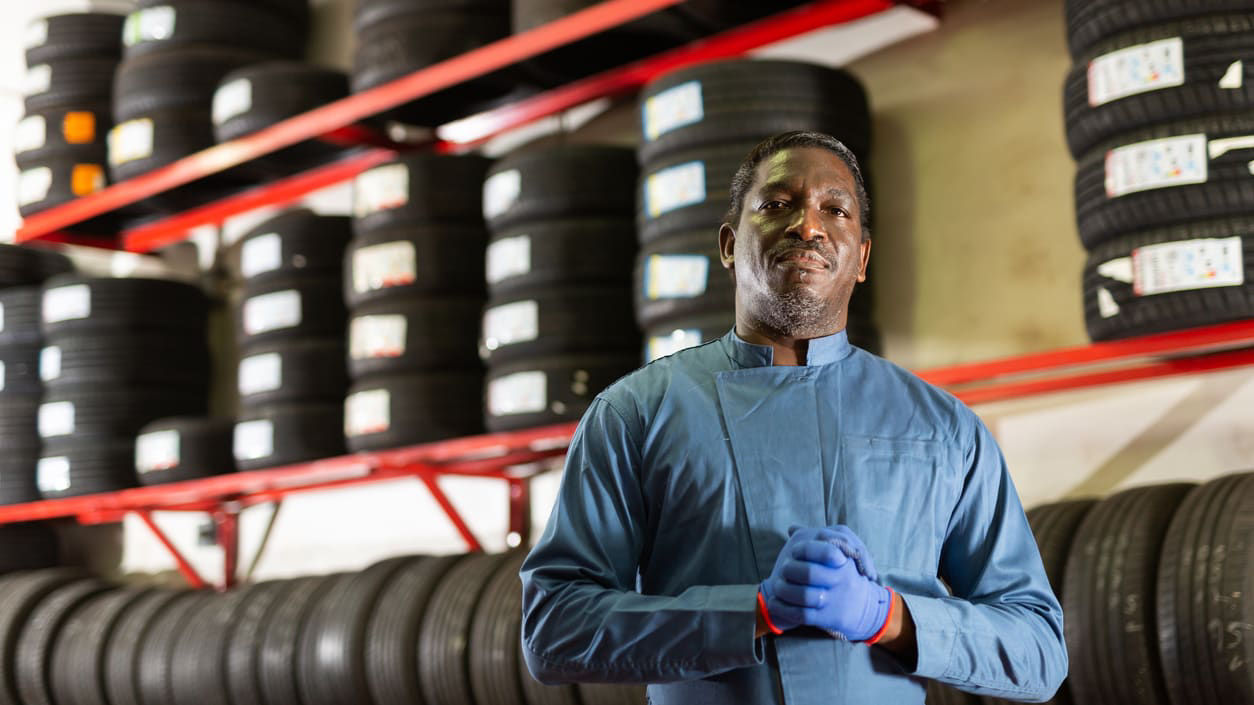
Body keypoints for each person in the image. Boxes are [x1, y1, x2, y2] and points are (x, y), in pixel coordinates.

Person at [519, 130, 1067, 704]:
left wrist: (889, 617)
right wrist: (748, 613)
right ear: (730, 245)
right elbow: (555, 627)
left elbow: (1038, 649)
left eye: (836, 210)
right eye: (777, 205)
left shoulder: (945, 429)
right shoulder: (635, 414)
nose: (808, 226)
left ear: (862, 258)